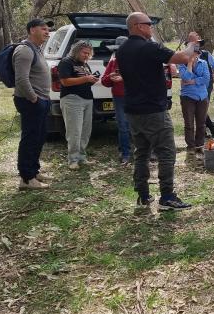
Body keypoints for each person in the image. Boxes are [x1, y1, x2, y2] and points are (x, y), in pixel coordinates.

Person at [116, 12, 194, 211]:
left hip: (133, 110)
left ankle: (143, 195)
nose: (151, 27)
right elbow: (183, 58)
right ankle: (167, 196)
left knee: (141, 152)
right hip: (153, 110)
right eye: (149, 24)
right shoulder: (149, 46)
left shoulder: (122, 49)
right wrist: (193, 43)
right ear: (138, 26)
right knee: (166, 152)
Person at [13, 18, 52, 190]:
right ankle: (26, 178)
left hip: (41, 100)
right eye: (43, 29)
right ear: (31, 30)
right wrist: (33, 98)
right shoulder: (24, 51)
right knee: (30, 138)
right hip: (31, 102)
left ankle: (34, 171)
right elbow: (21, 79)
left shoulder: (37, 50)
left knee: (39, 136)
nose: (47, 32)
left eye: (48, 29)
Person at [58, 40, 97, 170]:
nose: (86, 55)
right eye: (84, 52)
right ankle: (72, 160)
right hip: (72, 99)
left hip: (87, 99)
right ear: (76, 51)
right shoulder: (66, 62)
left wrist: (92, 79)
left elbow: (85, 81)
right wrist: (86, 78)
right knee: (74, 131)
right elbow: (65, 81)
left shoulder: (84, 65)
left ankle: (82, 157)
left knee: (86, 131)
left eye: (88, 53)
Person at [100, 36, 131, 165]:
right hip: (119, 97)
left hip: (136, 97)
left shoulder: (137, 61)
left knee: (139, 125)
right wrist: (110, 77)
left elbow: (144, 78)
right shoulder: (113, 62)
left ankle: (146, 151)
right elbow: (104, 81)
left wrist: (124, 78)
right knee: (123, 125)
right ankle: (125, 153)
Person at [178, 45, 211, 156]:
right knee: (189, 123)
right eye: (192, 53)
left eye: (196, 53)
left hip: (202, 96)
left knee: (201, 123)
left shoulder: (204, 63)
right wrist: (190, 63)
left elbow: (206, 79)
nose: (194, 55)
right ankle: (191, 146)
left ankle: (199, 145)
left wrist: (192, 81)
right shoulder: (182, 63)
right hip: (188, 97)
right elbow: (186, 77)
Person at [187, 31, 214, 138]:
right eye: (194, 42)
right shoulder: (186, 55)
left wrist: (211, 76)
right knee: (197, 108)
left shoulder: (206, 54)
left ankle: (207, 129)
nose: (196, 44)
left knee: (201, 106)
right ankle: (209, 127)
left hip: (205, 85)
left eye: (197, 42)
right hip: (191, 86)